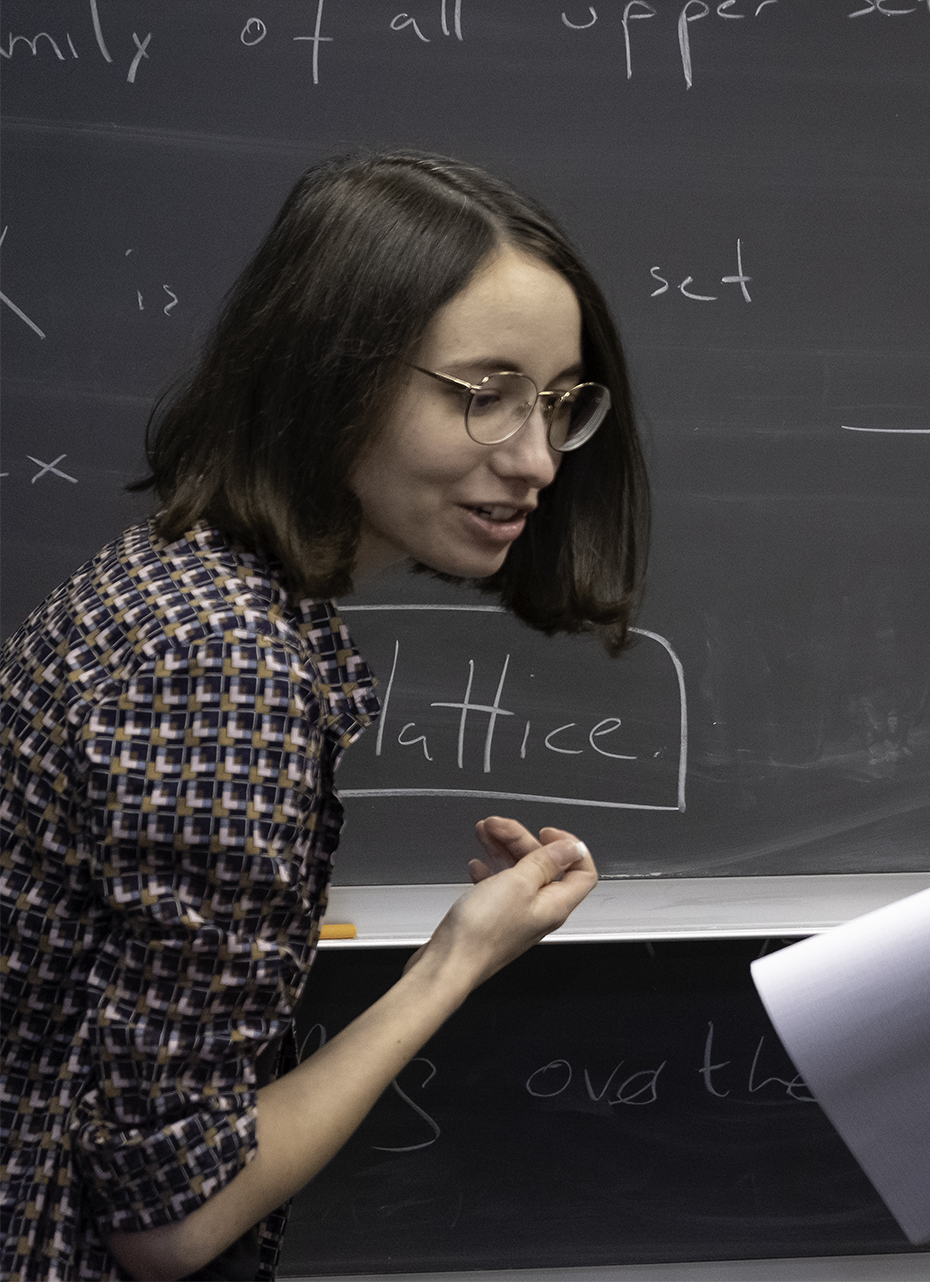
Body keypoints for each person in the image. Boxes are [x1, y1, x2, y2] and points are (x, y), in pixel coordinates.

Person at [0, 150, 650, 1280]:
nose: (537, 459)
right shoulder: (224, 667)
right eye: (483, 395)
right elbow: (169, 1221)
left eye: (555, 405)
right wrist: (456, 961)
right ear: (331, 375)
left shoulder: (170, 584)